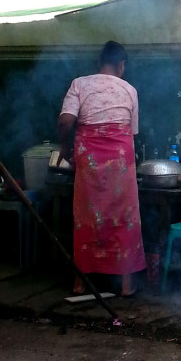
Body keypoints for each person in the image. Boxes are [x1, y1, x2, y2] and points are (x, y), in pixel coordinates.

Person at [57, 40, 145, 297]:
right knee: (125, 215)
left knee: (86, 216)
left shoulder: (80, 84)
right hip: (120, 156)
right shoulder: (129, 89)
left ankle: (79, 282)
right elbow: (132, 132)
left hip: (89, 158)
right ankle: (127, 284)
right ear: (122, 66)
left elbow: (65, 122)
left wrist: (65, 146)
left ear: (98, 63)